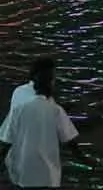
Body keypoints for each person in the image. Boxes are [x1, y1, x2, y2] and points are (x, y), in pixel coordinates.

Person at [0, 58, 96, 188]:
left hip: (21, 163)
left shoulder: (19, 94)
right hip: (46, 170)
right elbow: (69, 139)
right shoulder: (54, 109)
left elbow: (8, 137)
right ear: (50, 82)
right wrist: (86, 160)